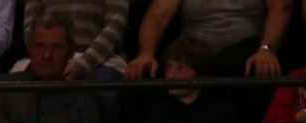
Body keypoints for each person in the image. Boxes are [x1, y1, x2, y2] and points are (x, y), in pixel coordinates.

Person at [124, 0, 292, 80]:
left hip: (245, 52)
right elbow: (157, 15)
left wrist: (266, 50)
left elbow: (281, 8)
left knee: (262, 71)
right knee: (143, 75)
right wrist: (146, 53)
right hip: (192, 52)